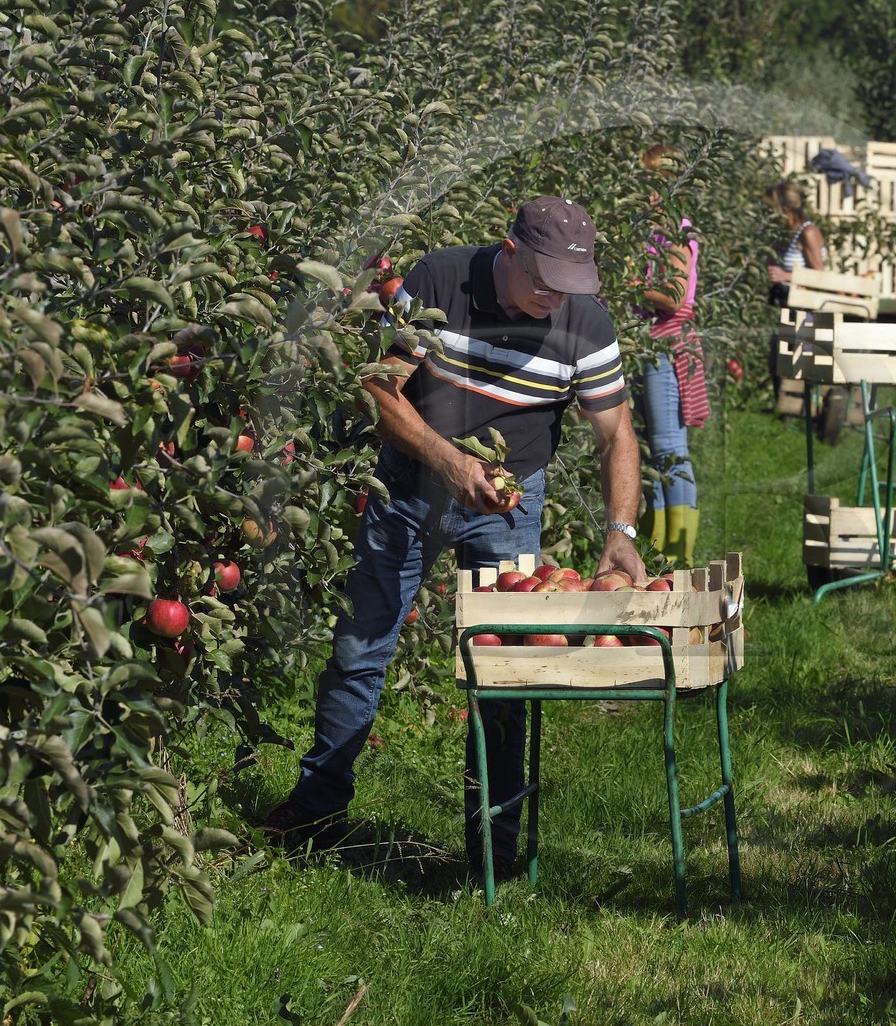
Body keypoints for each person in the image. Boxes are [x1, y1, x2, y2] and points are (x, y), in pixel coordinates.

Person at [260, 197, 647, 883]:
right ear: (510, 251)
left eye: (569, 285)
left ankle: (494, 850)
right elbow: (378, 387)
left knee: (503, 674)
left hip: (507, 508)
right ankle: (318, 812)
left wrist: (621, 530)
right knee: (360, 647)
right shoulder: (440, 282)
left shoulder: (584, 322)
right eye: (544, 281)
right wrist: (446, 460)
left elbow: (616, 429)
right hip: (408, 487)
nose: (554, 297)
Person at [633, 144, 706, 565]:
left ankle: (679, 552)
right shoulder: (648, 233)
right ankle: (657, 549)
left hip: (666, 345)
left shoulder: (675, 233)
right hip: (648, 345)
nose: (643, 193)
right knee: (648, 453)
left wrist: (628, 286)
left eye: (648, 183)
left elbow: (674, 295)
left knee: (669, 451)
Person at [764, 181, 827, 403]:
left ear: (785, 209)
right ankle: (785, 414)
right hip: (787, 308)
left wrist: (786, 276)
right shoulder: (786, 234)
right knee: (776, 362)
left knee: (799, 366)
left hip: (806, 312)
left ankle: (809, 412)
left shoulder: (807, 232)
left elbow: (820, 275)